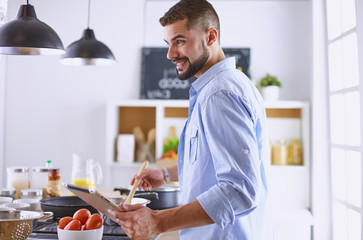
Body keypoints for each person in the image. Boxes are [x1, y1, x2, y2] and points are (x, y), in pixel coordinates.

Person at [108, 0, 273, 239]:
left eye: (180, 41)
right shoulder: (224, 86)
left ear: (211, 37)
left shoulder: (220, 94)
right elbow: (215, 161)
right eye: (168, 43)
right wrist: (166, 175)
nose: (170, 53)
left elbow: (240, 190)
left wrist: (157, 222)